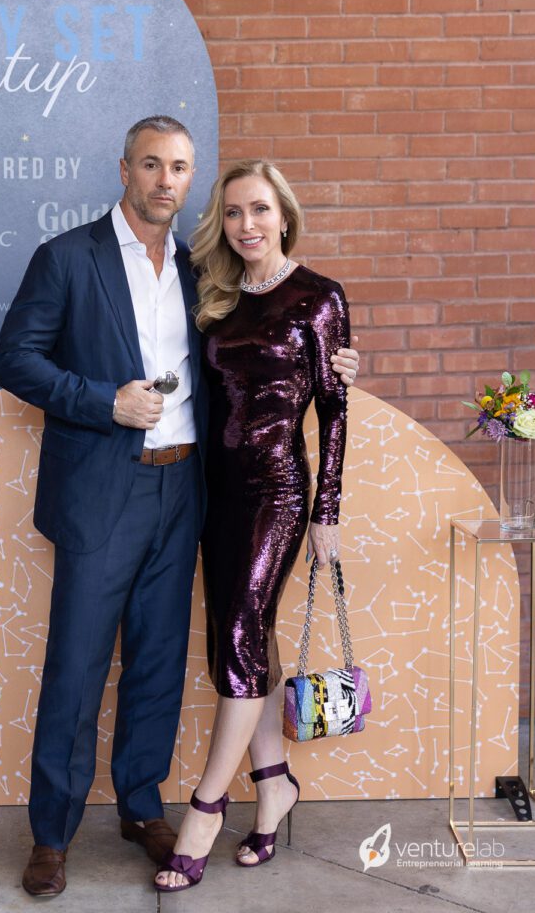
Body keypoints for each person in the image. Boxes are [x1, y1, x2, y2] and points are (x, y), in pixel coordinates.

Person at [0, 120, 359, 897]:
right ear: (124, 167)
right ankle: (51, 835)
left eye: (180, 168)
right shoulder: (66, 258)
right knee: (78, 665)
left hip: (189, 491)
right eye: (152, 164)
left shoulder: (206, 274)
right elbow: (15, 358)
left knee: (158, 664)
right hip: (101, 491)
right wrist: (100, 400)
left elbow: (269, 340)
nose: (165, 179)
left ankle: (139, 808)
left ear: (192, 180)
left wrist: (336, 358)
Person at [155, 160, 350, 892]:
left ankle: (206, 807)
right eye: (234, 213)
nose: (247, 226)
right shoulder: (219, 297)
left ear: (284, 215)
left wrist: (326, 509)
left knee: (239, 638)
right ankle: (274, 783)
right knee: (246, 640)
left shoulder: (320, 298)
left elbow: (334, 411)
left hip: (277, 492)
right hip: (216, 494)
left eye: (260, 211)